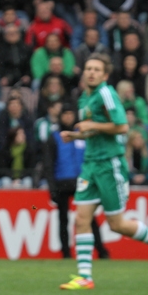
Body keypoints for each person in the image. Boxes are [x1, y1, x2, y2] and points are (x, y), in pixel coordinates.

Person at [59, 53, 148, 290]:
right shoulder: (84, 98)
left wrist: (92, 125)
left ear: (105, 75)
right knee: (81, 219)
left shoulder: (106, 93)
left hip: (110, 164)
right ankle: (85, 277)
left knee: (117, 224)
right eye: (88, 68)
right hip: (90, 164)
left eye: (96, 69)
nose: (91, 72)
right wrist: (77, 135)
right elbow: (95, 131)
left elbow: (122, 127)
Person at [44, 105, 108, 259]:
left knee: (89, 218)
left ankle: (101, 251)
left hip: (82, 182)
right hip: (61, 182)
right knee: (63, 220)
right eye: (65, 114)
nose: (68, 118)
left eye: (70, 114)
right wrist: (51, 187)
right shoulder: (54, 137)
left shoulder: (84, 135)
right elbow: (48, 164)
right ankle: (66, 253)